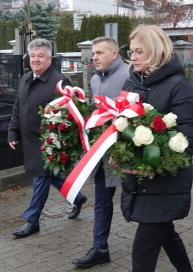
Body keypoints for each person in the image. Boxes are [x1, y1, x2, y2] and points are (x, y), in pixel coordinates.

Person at [119, 24, 193, 271]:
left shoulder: (178, 86)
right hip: (141, 183)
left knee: (143, 252)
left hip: (165, 183)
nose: (132, 57)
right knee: (167, 235)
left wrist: (147, 164)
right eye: (131, 51)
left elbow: (188, 142)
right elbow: (121, 127)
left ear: (154, 51)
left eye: (139, 51)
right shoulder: (133, 84)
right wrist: (118, 153)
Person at [8, 39, 88, 238]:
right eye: (33, 56)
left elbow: (69, 115)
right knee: (51, 177)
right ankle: (77, 198)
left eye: (40, 56)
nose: (36, 60)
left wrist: (59, 144)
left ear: (49, 58)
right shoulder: (26, 78)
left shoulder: (59, 82)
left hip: (48, 143)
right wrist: (12, 130)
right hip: (28, 140)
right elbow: (18, 107)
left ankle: (32, 220)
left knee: (40, 179)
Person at [72, 37, 127, 268]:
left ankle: (163, 236)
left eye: (99, 53)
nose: (94, 57)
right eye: (93, 53)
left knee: (139, 200)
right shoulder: (95, 80)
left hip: (128, 153)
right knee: (102, 202)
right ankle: (100, 248)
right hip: (104, 153)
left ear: (114, 54)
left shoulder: (129, 75)